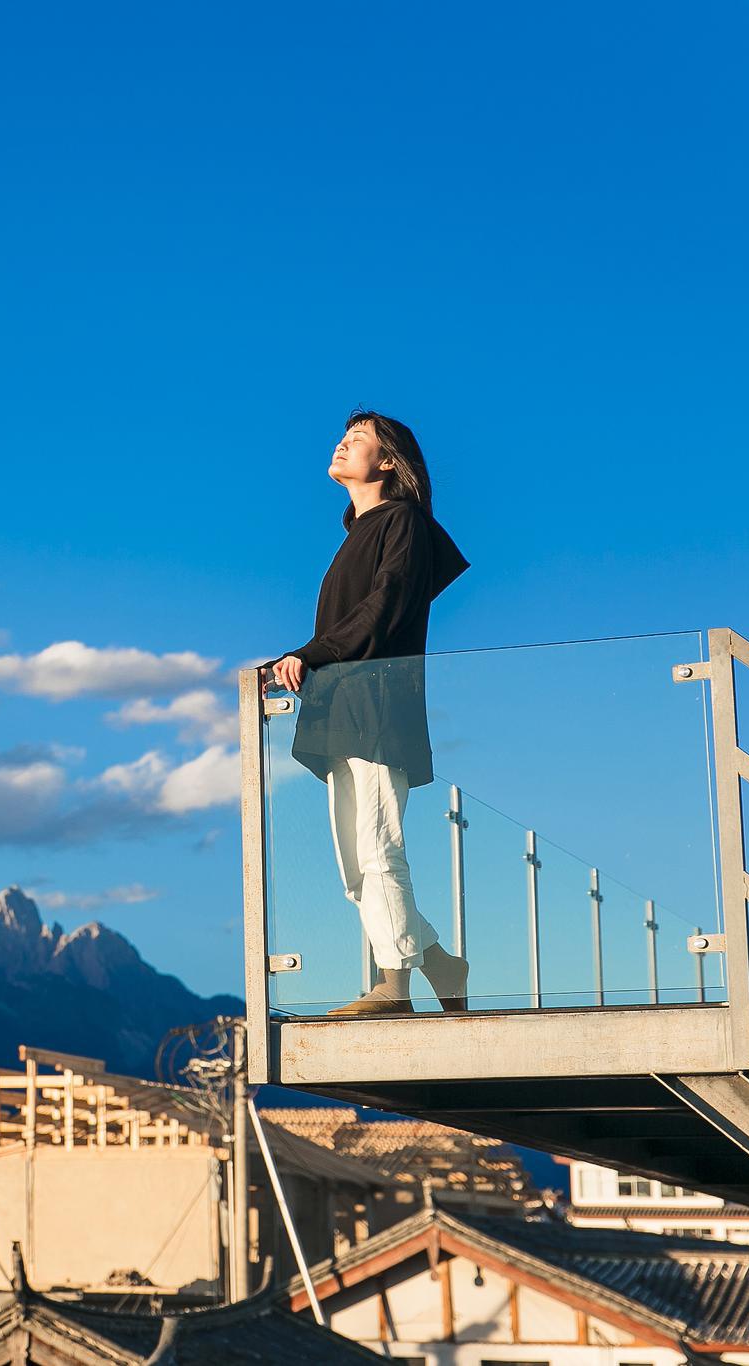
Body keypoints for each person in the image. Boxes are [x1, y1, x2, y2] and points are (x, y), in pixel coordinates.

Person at [269, 409, 471, 1017]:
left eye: (357, 440)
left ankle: (395, 985)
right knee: (355, 868)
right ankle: (438, 962)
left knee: (380, 849)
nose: (341, 444)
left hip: (381, 710)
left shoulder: (403, 523)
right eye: (342, 437)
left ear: (388, 462)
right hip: (344, 710)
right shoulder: (355, 537)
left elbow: (383, 608)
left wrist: (308, 654)